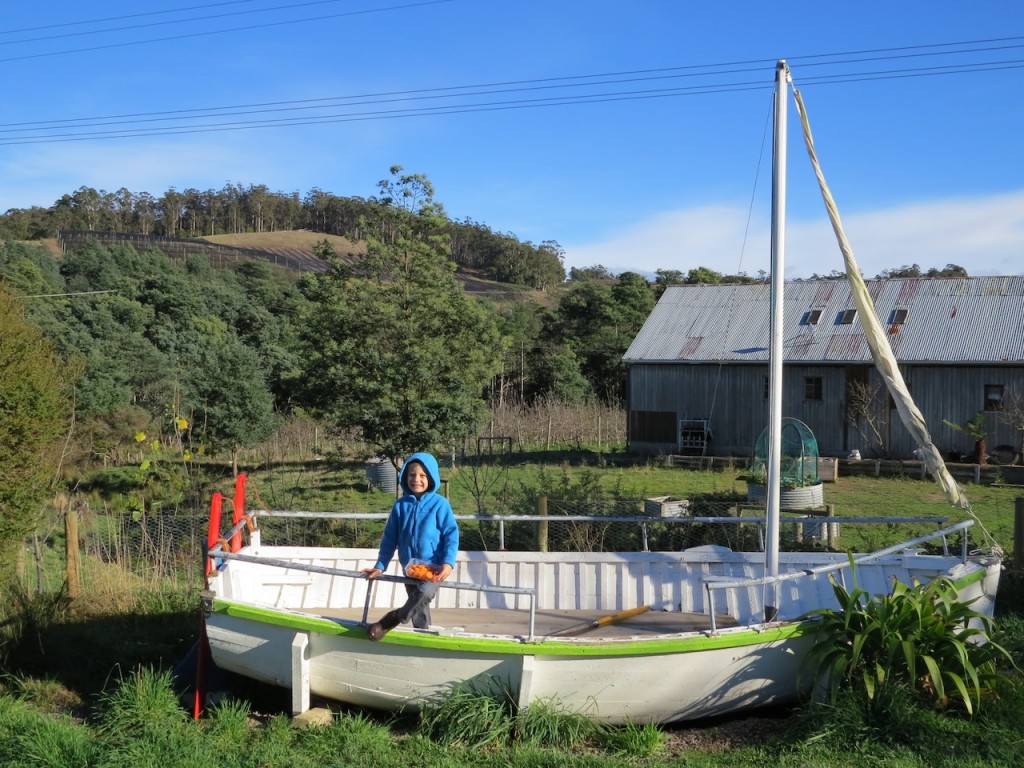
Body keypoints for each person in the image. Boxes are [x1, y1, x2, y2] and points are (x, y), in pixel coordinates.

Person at [361, 451, 459, 641]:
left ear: (431, 478)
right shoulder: (400, 505)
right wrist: (380, 566)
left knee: (424, 594)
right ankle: (423, 639)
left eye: (423, 475)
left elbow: (451, 535)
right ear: (405, 476)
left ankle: (392, 619)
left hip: (434, 568)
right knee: (418, 608)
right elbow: (390, 539)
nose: (417, 479)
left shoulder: (440, 504)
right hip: (410, 568)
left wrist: (448, 563)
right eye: (412, 475)